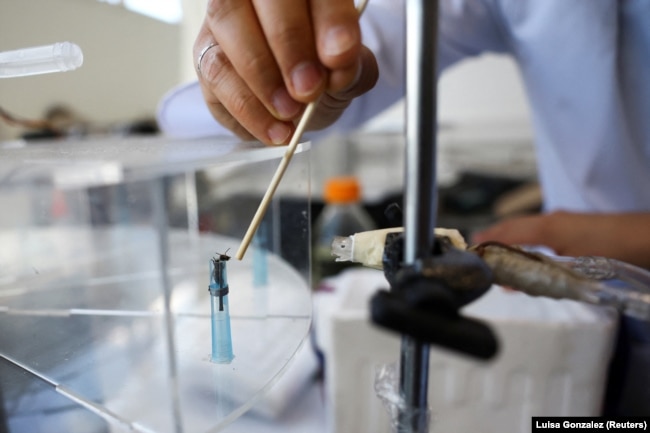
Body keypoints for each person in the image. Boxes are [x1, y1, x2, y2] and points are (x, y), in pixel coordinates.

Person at [157, 0, 650, 270]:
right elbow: (184, 118)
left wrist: (625, 239)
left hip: (588, 274)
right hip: (593, 313)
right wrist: (249, 70)